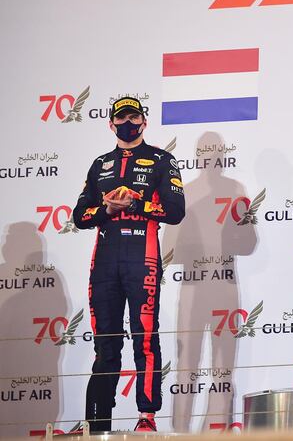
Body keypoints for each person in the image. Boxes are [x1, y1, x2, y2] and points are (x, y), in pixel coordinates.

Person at [73, 96, 185, 432]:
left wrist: (138, 202)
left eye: (133, 116)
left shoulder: (162, 160)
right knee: (105, 341)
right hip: (105, 259)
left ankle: (147, 417)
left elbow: (176, 212)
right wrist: (106, 210)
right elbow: (79, 216)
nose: (127, 122)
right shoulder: (100, 164)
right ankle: (97, 421)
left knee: (145, 337)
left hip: (143, 255)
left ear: (144, 122)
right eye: (121, 118)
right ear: (111, 124)